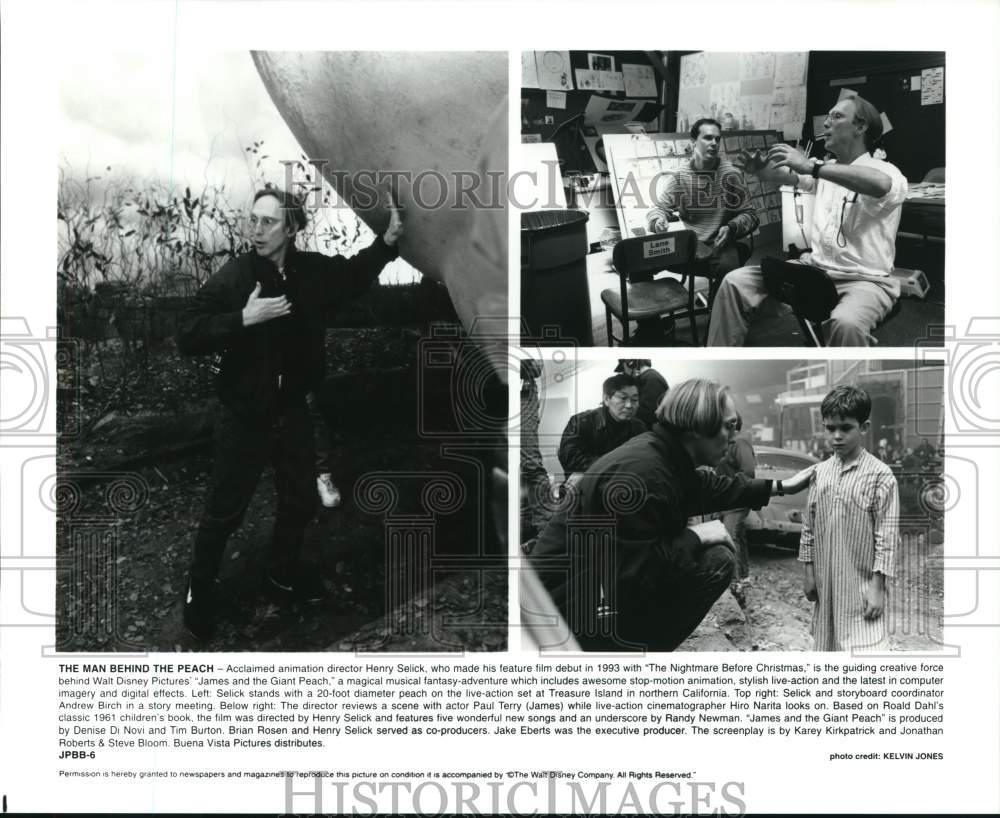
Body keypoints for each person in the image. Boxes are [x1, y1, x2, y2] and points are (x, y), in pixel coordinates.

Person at [175, 187, 404, 640]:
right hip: (244, 414)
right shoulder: (237, 277)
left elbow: (354, 274)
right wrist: (243, 318)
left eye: (268, 222)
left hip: (291, 411)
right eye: (253, 219)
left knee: (299, 499)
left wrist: (388, 242)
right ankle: (198, 594)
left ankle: (282, 571)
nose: (255, 229)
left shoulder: (310, 272)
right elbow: (187, 331)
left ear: (292, 228)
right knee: (225, 511)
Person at [532, 378, 814, 652]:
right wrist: (695, 535)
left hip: (581, 594)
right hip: (564, 615)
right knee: (717, 560)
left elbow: (707, 487)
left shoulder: (663, 454)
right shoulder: (645, 476)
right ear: (696, 428)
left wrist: (781, 486)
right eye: (729, 426)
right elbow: (635, 575)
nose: (733, 437)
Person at [708, 95, 907, 347]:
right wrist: (761, 171)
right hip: (815, 269)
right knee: (735, 282)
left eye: (836, 116)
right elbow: (789, 177)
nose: (826, 123)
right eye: (827, 116)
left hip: (865, 280)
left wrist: (811, 167)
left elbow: (879, 184)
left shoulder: (886, 170)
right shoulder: (825, 169)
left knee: (846, 324)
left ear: (860, 127)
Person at [799, 386, 899, 651]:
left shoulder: (880, 475)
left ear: (864, 427)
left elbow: (886, 536)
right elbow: (808, 526)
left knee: (865, 650)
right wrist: (809, 572)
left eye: (845, 428)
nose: (837, 436)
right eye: (830, 428)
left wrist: (878, 587)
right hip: (826, 582)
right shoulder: (819, 473)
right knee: (827, 646)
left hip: (861, 584)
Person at [646, 118, 759, 279]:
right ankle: (655, 303)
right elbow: (658, 209)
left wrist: (732, 227)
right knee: (639, 261)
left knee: (728, 271)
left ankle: (717, 304)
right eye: (707, 138)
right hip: (692, 244)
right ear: (693, 142)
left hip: (722, 243)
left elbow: (751, 215)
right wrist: (658, 220)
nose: (714, 143)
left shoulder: (731, 174)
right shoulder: (679, 177)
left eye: (717, 139)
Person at [557, 373, 647, 491]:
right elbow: (571, 459)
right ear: (606, 399)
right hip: (590, 481)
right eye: (623, 398)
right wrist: (615, 466)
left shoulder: (639, 427)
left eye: (634, 399)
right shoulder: (580, 422)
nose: (629, 405)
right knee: (578, 478)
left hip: (623, 482)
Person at [715, 412, 757, 607]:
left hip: (738, 498)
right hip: (727, 499)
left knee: (730, 536)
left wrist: (730, 488)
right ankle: (744, 577)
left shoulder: (739, 442)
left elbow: (748, 470)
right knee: (738, 536)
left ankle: (735, 584)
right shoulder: (722, 442)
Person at [614, 359, 669, 430]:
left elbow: (646, 415)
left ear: (630, 363)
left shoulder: (652, 379)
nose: (623, 373)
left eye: (623, 368)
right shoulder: (645, 378)